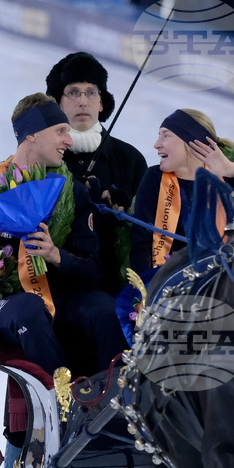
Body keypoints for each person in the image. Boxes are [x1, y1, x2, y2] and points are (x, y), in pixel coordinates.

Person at [0, 92, 128, 377]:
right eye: (60, 131)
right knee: (29, 308)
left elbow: (92, 271)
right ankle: (64, 400)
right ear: (31, 135)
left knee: (106, 308)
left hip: (61, 300)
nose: (70, 140)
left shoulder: (73, 192)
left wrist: (57, 256)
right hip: (5, 303)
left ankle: (112, 401)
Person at [45, 51, 147, 295]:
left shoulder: (130, 159)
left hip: (113, 287)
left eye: (91, 92)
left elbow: (145, 233)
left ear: (102, 103)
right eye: (73, 92)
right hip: (51, 286)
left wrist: (124, 214)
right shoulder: (42, 157)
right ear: (57, 101)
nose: (83, 101)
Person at [130, 109, 234, 274]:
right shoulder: (155, 178)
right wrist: (153, 287)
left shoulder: (232, 180)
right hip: (166, 283)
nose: (156, 144)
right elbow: (141, 245)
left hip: (220, 283)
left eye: (166, 136)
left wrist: (231, 170)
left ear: (192, 142)